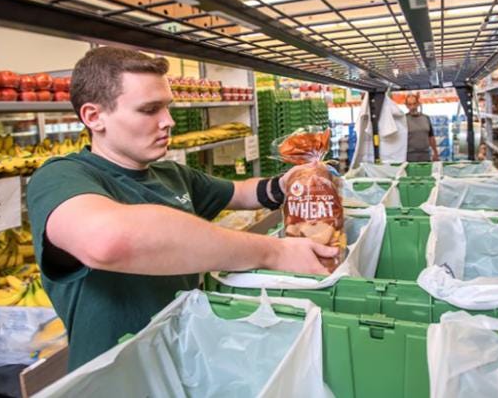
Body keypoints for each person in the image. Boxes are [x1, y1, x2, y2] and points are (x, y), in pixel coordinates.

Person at [26, 47, 339, 370]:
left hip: (185, 361)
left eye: (167, 107)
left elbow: (241, 192)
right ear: (94, 117)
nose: (169, 122)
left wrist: (286, 184)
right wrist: (272, 252)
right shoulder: (60, 177)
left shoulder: (171, 174)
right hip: (118, 378)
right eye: (149, 110)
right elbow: (107, 241)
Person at [404, 94, 439, 162]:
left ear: (418, 104)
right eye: (410, 104)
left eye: (414, 104)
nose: (412, 107)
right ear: (406, 106)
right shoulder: (403, 119)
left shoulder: (426, 118)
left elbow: (431, 137)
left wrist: (435, 152)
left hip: (425, 155)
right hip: (409, 157)